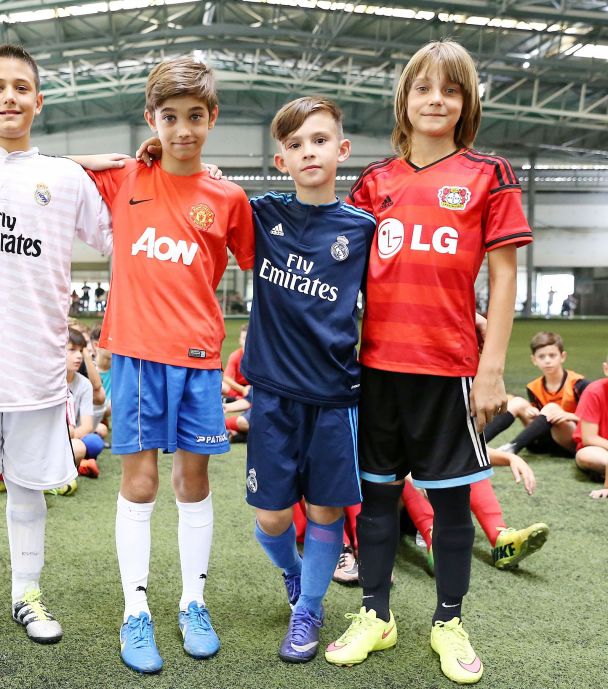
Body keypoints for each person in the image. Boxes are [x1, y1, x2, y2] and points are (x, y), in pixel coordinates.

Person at [324, 40, 532, 686]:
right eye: (424, 88)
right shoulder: (374, 182)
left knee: (450, 502)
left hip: (450, 370)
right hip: (378, 370)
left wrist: (491, 368)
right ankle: (376, 613)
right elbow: (343, 271)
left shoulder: (488, 174)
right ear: (404, 100)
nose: (436, 99)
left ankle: (448, 620)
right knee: (378, 498)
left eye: (450, 89)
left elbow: (504, 277)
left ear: (466, 104)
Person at [0, 44, 112, 654]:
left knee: (29, 489)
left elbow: (120, 236)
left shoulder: (65, 178)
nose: (10, 97)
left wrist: (179, 175)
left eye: (21, 87)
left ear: (39, 100)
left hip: (38, 368)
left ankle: (26, 593)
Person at [87, 56, 255, 674]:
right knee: (140, 484)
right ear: (151, 119)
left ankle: (193, 603)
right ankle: (135, 612)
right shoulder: (126, 176)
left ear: (212, 118)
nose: (182, 130)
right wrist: (118, 155)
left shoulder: (228, 197)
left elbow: (260, 265)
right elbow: (50, 167)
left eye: (194, 117)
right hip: (135, 358)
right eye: (169, 118)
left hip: (200, 361)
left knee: (193, 482)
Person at [242, 96, 376, 663]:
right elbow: (202, 194)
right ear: (281, 161)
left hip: (334, 396)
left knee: (325, 510)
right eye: (295, 145)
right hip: (272, 393)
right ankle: (296, 575)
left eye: (320, 140)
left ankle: (310, 608)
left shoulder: (363, 229)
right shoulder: (262, 214)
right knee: (271, 518)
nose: (309, 152)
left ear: (342, 149)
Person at [402, 448, 548, 571]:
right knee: (402, 468)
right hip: (400, 506)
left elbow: (466, 446)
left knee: (468, 460)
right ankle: (437, 542)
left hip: (438, 498)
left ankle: (500, 539)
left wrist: (510, 458)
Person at [483, 331, 587, 456]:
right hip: (544, 441)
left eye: (552, 355)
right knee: (518, 402)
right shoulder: (533, 387)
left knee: (551, 408)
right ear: (534, 360)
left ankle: (512, 448)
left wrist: (569, 416)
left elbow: (597, 420)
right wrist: (532, 413)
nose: (547, 360)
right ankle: (477, 443)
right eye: (541, 356)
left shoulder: (579, 384)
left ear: (562, 356)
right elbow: (542, 419)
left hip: (573, 442)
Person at [67, 329, 106, 477]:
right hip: (46, 441)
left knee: (93, 443)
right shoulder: (49, 382)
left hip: (72, 438)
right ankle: (81, 464)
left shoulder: (84, 384)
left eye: (81, 351)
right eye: (72, 350)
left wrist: (67, 439)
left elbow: (87, 426)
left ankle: (76, 463)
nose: (78, 356)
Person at [574, 351, 608, 499]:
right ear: (606, 369)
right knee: (584, 455)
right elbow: (589, 438)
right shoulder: (595, 391)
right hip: (598, 449)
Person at [221, 322, 250, 399]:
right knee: (221, 385)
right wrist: (242, 389)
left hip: (254, 388)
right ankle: (238, 398)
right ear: (240, 340)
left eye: (249, 338)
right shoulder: (235, 355)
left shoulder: (259, 355)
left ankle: (235, 400)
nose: (247, 341)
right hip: (239, 388)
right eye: (244, 338)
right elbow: (226, 378)